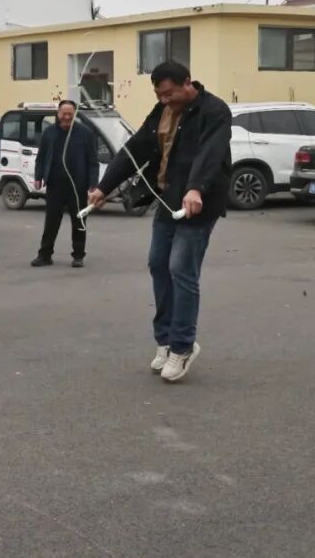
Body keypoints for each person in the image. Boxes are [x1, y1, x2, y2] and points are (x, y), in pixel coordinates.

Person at [87, 61, 232, 383]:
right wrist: (104, 187)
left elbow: (210, 154)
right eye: (159, 95)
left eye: (169, 93)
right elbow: (135, 149)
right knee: (157, 264)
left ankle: (182, 347)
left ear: (187, 83)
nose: (164, 100)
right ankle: (165, 340)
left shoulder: (214, 111)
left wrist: (196, 188)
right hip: (168, 200)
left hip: (198, 204)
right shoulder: (161, 111)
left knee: (181, 268)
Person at [31, 100, 98, 269]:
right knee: (51, 221)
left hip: (78, 186)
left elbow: (93, 161)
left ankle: (78, 255)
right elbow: (41, 157)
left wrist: (93, 184)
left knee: (79, 221)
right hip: (55, 185)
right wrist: (38, 176)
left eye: (70, 114)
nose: (67, 117)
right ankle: (45, 255)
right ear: (58, 113)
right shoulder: (49, 133)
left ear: (75, 114)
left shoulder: (85, 133)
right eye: (64, 113)